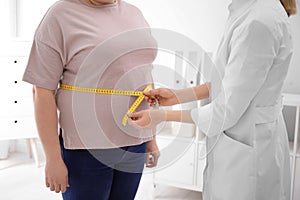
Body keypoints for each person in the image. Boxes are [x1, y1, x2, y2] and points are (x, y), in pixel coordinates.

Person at [128, 0, 297, 199]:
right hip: (247, 138)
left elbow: (225, 110)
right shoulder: (249, 10)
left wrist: (161, 115)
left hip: (249, 149)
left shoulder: (259, 20)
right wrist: (177, 96)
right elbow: (230, 82)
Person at [22, 0, 160, 199]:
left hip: (135, 141)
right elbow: (42, 91)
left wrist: (151, 139)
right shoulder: (60, 15)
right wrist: (52, 158)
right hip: (86, 147)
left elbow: (145, 75)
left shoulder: (133, 12)